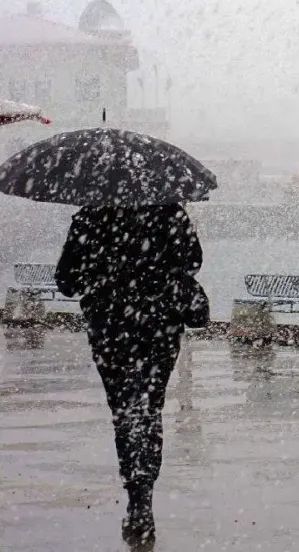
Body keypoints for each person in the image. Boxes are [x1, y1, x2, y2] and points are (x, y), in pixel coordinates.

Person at [55, 204, 202, 547]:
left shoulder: (90, 217)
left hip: (110, 328)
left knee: (123, 412)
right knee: (149, 409)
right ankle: (144, 495)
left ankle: (134, 494)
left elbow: (66, 282)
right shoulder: (171, 213)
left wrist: (104, 275)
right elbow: (193, 262)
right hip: (160, 326)